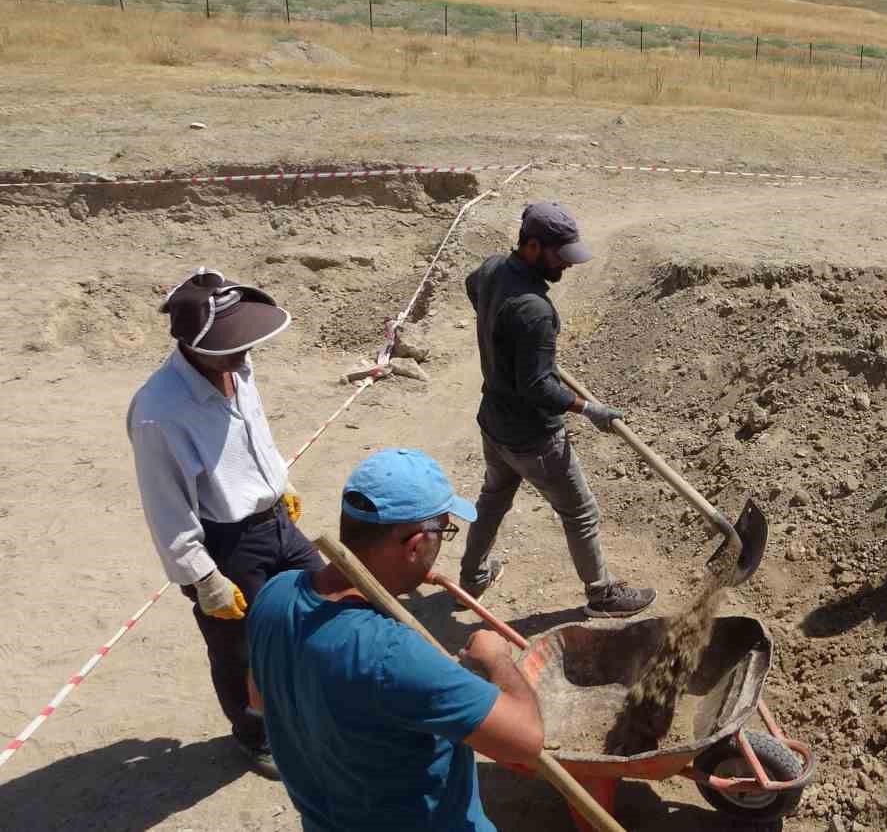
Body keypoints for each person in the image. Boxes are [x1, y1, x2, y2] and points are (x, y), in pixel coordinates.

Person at [247, 449, 543, 832]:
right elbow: (527, 741)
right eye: (444, 532)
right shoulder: (392, 655)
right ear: (416, 543)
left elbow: (258, 698)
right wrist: (497, 659)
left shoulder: (276, 593)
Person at [126, 268, 320, 779]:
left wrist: (281, 482)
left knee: (320, 606)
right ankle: (254, 735)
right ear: (193, 346)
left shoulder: (240, 367)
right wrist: (203, 576)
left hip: (275, 520)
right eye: (232, 346)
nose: (244, 354)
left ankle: (301, 705)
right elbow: (164, 505)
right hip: (226, 543)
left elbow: (256, 433)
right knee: (241, 651)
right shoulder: (158, 413)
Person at [459, 201, 656, 618]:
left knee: (493, 498)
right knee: (580, 511)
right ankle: (602, 594)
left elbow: (471, 285)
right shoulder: (535, 311)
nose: (566, 266)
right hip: (534, 437)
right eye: (559, 256)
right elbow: (538, 388)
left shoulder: (494, 268)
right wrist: (588, 409)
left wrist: (499, 333)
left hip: (493, 421)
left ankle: (473, 576)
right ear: (531, 246)